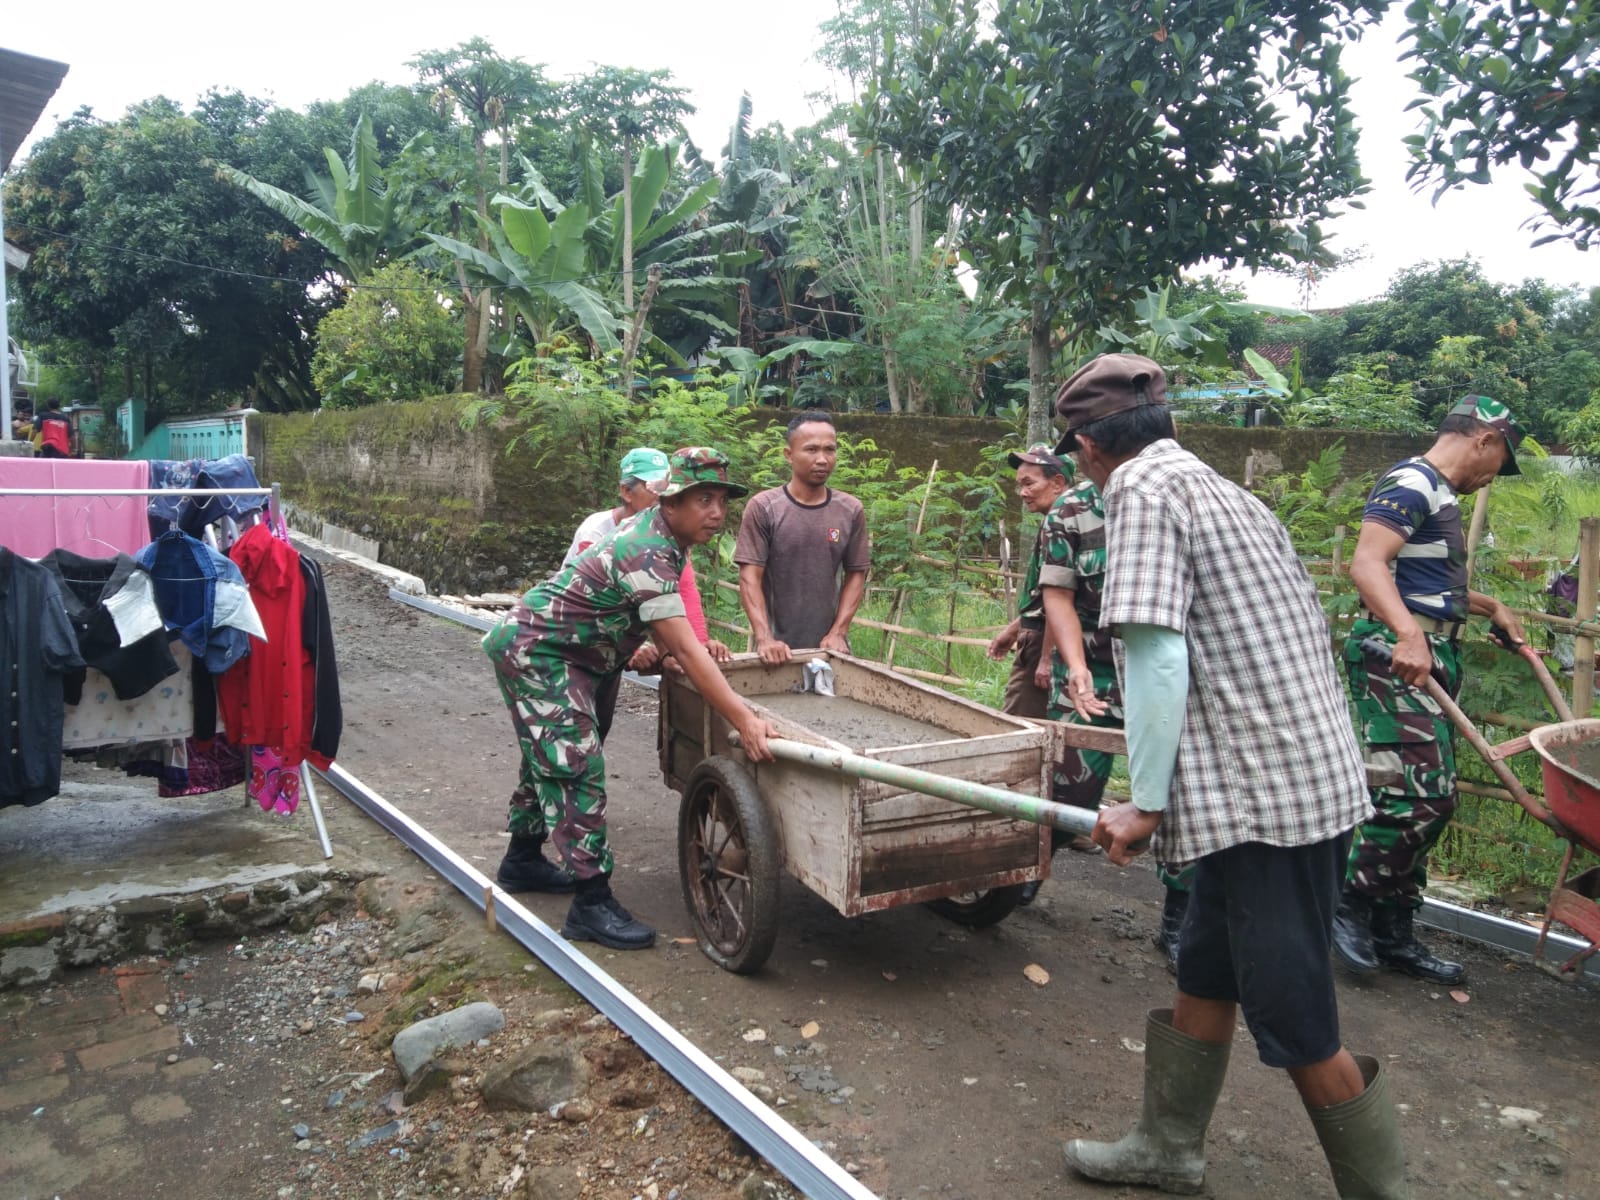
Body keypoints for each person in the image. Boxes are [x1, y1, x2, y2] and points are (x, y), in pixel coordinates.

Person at [1057, 354, 1407, 1199]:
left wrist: (1142, 802)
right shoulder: (1219, 488)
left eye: (1072, 448)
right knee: (1207, 963)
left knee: (1294, 1013)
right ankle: (1168, 1147)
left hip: (1265, 798)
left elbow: (1155, 651)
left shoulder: (1137, 490)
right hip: (1285, 775)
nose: (1075, 463)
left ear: (1092, 444)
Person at [483, 448, 777, 951]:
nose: (716, 513)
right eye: (703, 499)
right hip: (541, 654)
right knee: (577, 765)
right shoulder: (646, 547)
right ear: (670, 502)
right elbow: (679, 645)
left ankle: (523, 859)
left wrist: (687, 650)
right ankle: (590, 904)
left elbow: (673, 638)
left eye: (722, 501)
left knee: (548, 756)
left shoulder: (667, 540)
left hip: (569, 654)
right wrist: (744, 718)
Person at [1332, 396, 1527, 987]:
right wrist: (1409, 635)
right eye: (1499, 462)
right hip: (1396, 656)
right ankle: (1350, 903)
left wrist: (1490, 607)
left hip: (1432, 652)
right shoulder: (1413, 481)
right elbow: (1367, 565)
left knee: (1432, 794)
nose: (1493, 476)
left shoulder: (1437, 492)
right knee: (1423, 795)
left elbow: (1423, 584)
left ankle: (1393, 931)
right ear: (1484, 440)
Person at [986, 443, 1102, 889]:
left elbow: (1063, 601)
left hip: (1049, 650)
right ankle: (1069, 826)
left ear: (1058, 482)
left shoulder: (1064, 520)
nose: (1022, 492)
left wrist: (1049, 658)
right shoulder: (1057, 523)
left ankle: (1027, 841)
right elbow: (1042, 598)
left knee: (1023, 739)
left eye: (1029, 482)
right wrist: (1014, 630)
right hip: (1038, 638)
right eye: (1018, 484)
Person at [561, 447, 730, 747]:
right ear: (626, 491)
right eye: (652, 488)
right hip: (569, 651)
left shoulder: (669, 538)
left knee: (593, 735)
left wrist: (697, 644)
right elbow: (612, 605)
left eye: (662, 485)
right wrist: (659, 650)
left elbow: (682, 593)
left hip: (605, 653)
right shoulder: (613, 536)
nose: (658, 495)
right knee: (573, 756)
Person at [735, 411, 870, 663]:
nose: (822, 459)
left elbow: (856, 574)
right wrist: (765, 638)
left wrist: (838, 632)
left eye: (830, 450)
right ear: (789, 455)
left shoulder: (850, 510)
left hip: (829, 649)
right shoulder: (765, 508)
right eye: (811, 450)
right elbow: (749, 577)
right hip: (775, 651)